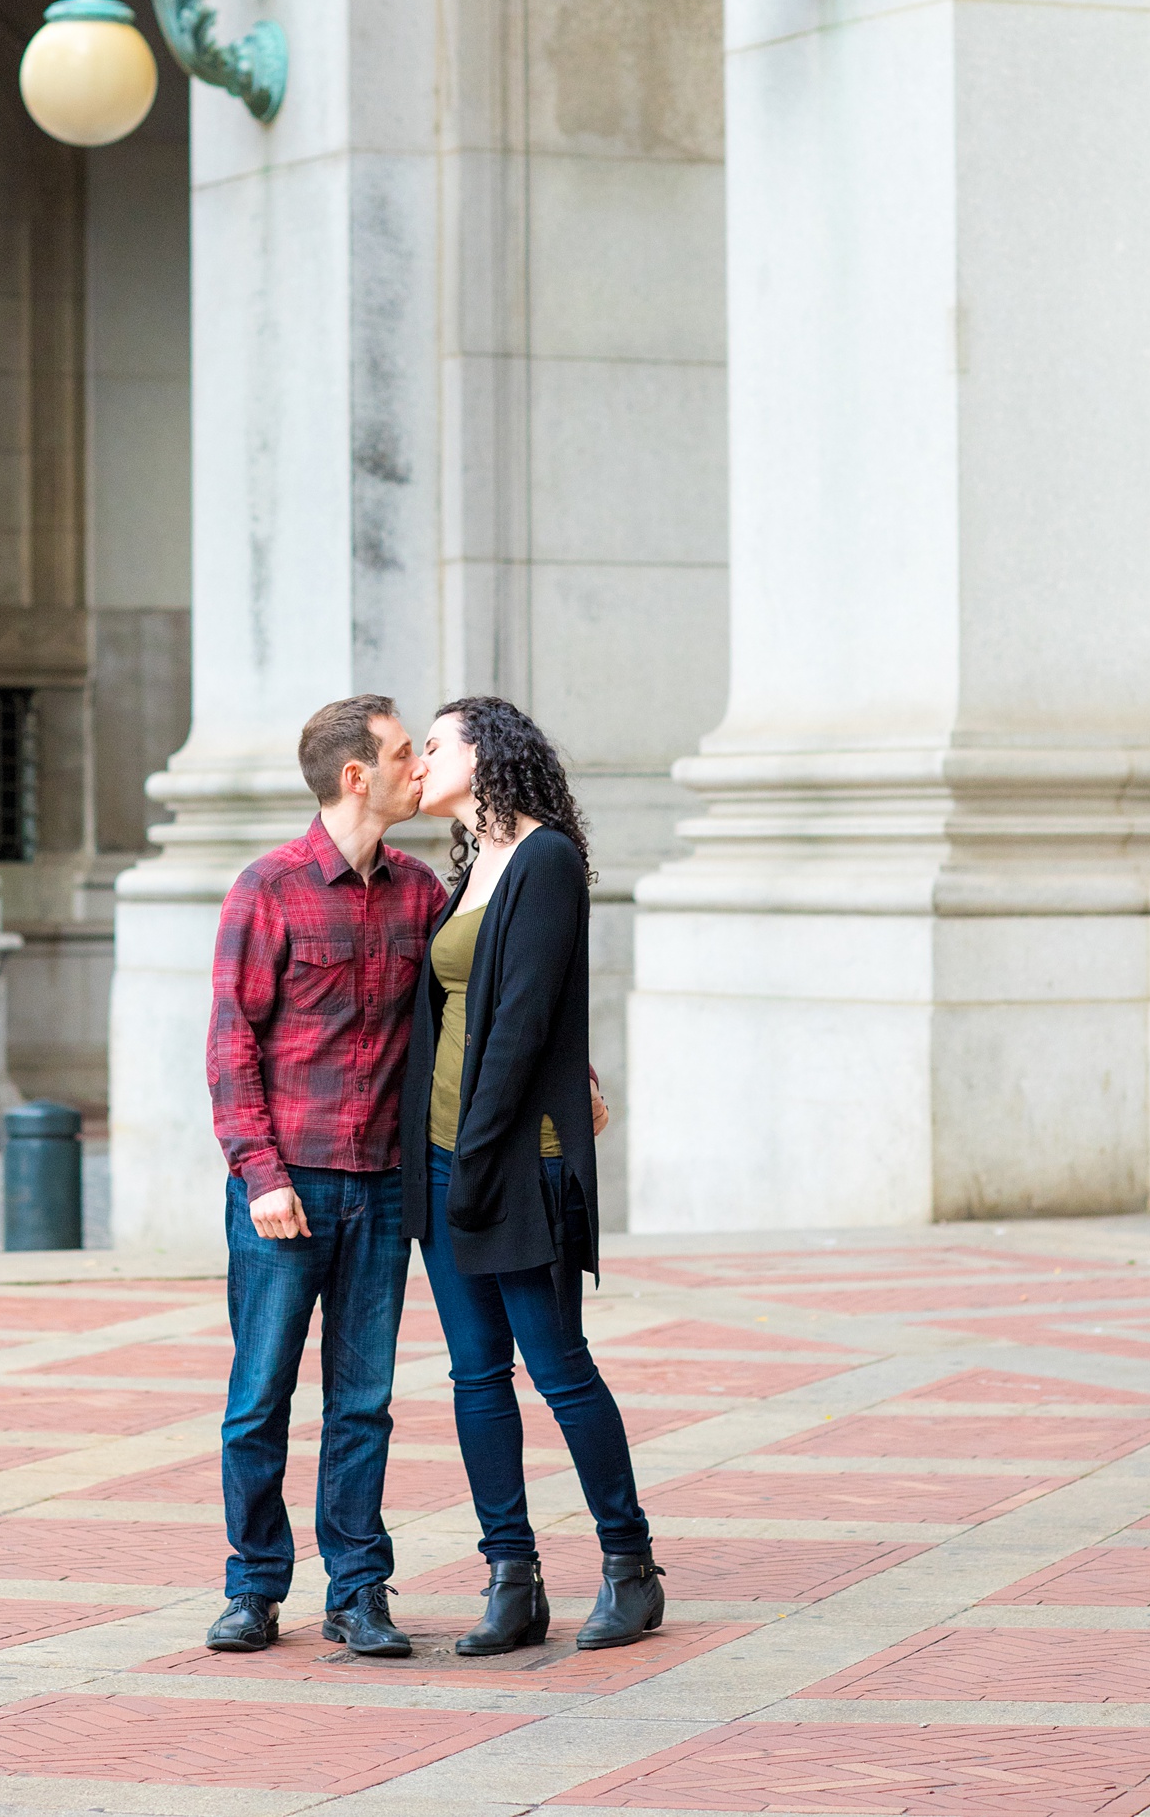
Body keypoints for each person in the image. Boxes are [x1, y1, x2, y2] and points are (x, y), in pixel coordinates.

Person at [399, 696, 664, 1655]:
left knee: (558, 1370)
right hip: (440, 1157)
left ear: (487, 751)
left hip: (515, 1162)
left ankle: (631, 1568)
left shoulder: (545, 859)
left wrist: (477, 1153)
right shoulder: (469, 869)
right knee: (476, 1377)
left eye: (436, 744)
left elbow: (518, 1027)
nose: (421, 762)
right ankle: (513, 1580)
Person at [204, 694, 443, 1657]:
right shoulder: (266, 889)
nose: (417, 769)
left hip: (382, 1186)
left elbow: (484, 997)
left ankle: (358, 1591)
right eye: (400, 754)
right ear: (357, 777)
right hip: (286, 1186)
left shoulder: (423, 892)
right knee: (260, 1397)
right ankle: (255, 1587)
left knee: (363, 1403)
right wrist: (260, 1175)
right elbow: (230, 1045)